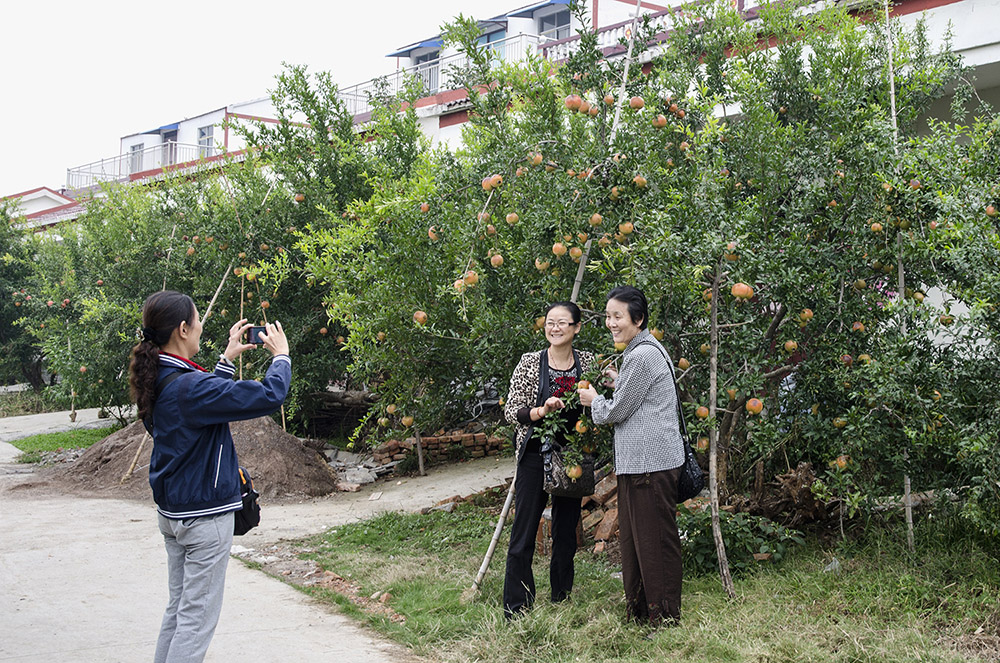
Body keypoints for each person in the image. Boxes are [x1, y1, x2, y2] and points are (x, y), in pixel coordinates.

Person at [129, 290, 291, 663]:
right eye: (198, 320)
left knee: (179, 610)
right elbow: (269, 394)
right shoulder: (188, 386)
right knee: (196, 619)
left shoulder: (162, 376)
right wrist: (280, 357)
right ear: (183, 329)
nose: (202, 326)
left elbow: (199, 406)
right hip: (203, 517)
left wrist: (226, 359)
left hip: (174, 513)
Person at [578, 285, 684, 626]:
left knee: (653, 541)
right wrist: (619, 380)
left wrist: (595, 400)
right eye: (608, 316)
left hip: (649, 465)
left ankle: (664, 616)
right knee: (640, 540)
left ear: (637, 319)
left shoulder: (640, 356)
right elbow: (642, 396)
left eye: (617, 316)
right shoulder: (647, 350)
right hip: (645, 462)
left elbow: (617, 412)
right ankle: (641, 611)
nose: (610, 323)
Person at [502, 301, 595, 619]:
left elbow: (606, 398)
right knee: (524, 530)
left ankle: (561, 597)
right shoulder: (530, 362)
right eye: (549, 322)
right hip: (533, 453)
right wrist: (540, 411)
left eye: (562, 323)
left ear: (576, 327)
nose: (554, 328)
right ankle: (517, 606)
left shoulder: (588, 362)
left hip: (572, 454)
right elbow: (511, 410)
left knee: (566, 531)